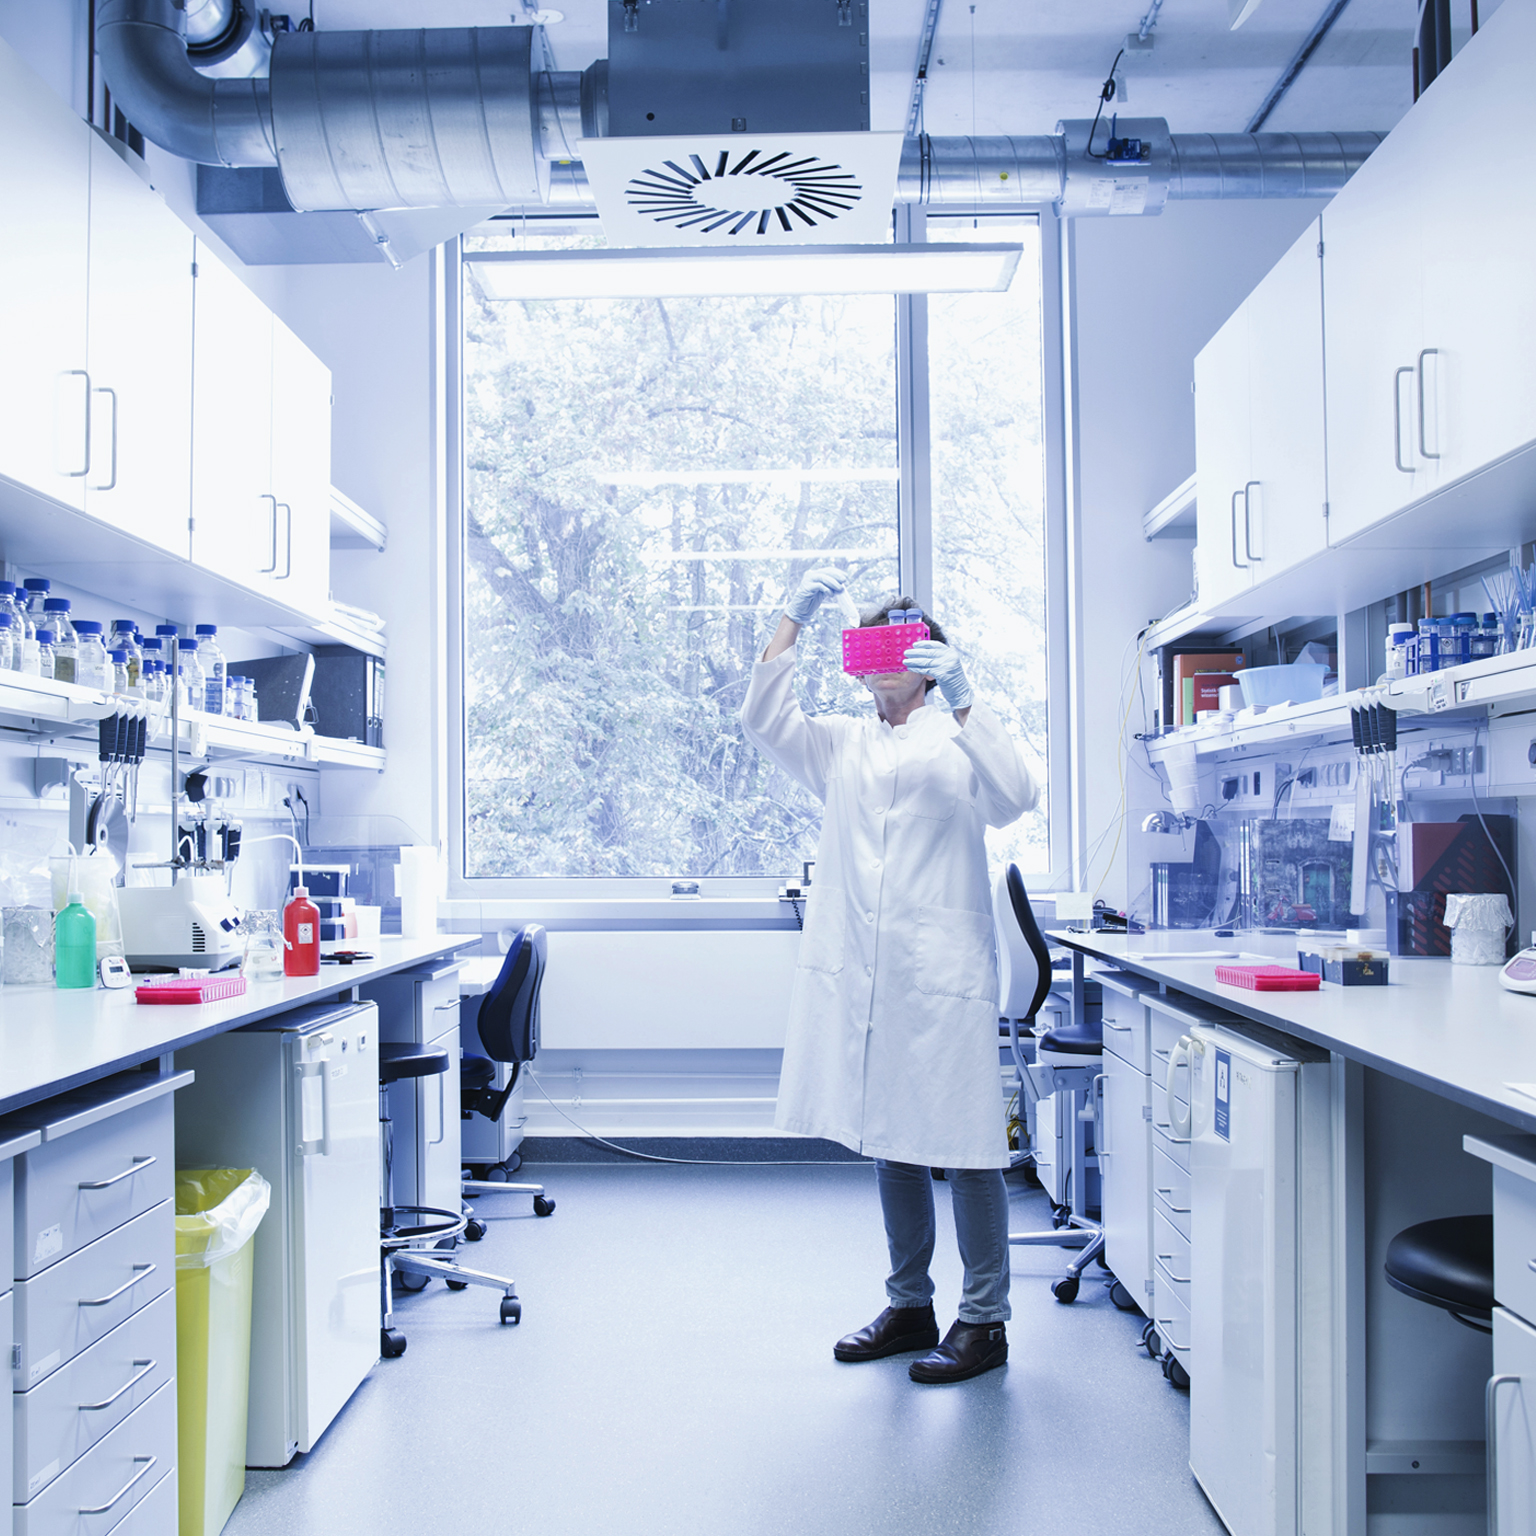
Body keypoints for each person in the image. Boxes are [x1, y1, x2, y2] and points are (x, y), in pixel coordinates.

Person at [740, 566, 1039, 1384]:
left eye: (902, 647)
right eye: (872, 646)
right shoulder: (843, 743)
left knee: (970, 1144)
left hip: (940, 970)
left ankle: (986, 1321)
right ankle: (911, 1305)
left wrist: (967, 697)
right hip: (868, 971)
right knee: (892, 1138)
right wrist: (789, 619)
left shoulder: (958, 738)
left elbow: (1016, 796)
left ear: (931, 658)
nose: (882, 663)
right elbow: (763, 717)